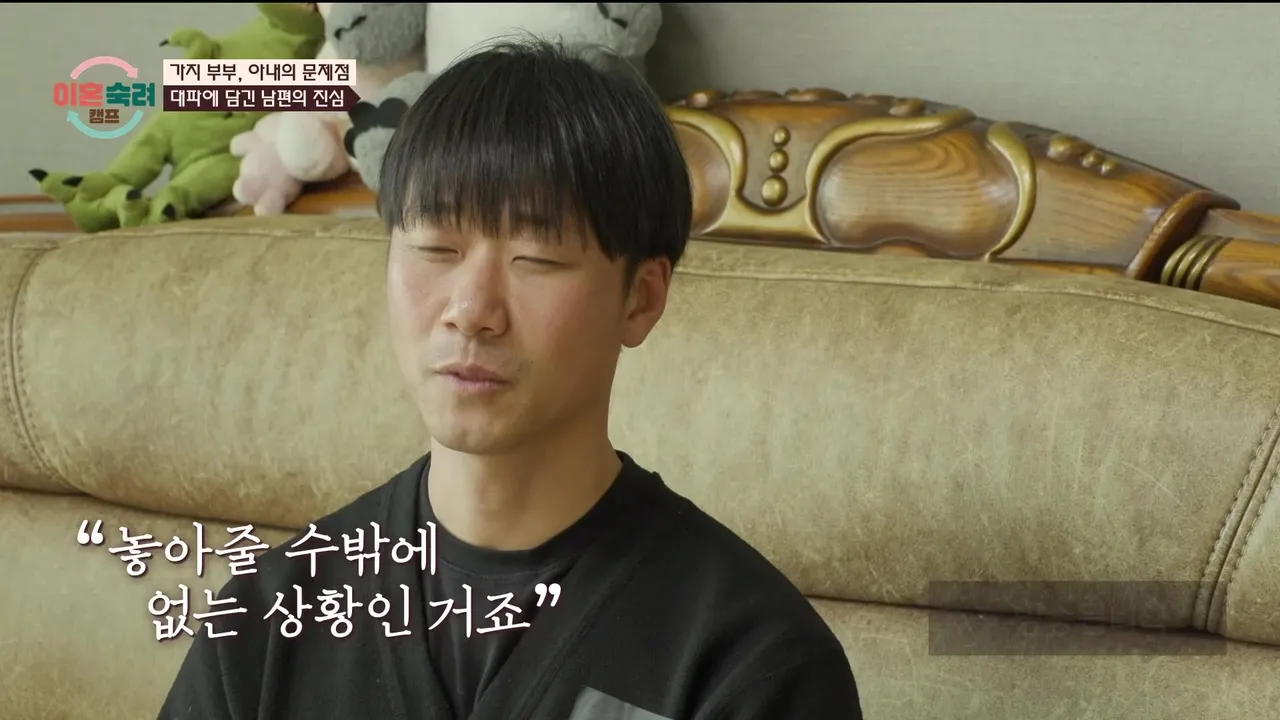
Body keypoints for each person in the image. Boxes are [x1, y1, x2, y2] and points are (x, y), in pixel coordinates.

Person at [159, 38, 862, 720]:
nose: (470, 311)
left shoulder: (750, 662)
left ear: (641, 299)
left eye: (538, 258)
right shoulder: (270, 616)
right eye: (436, 247)